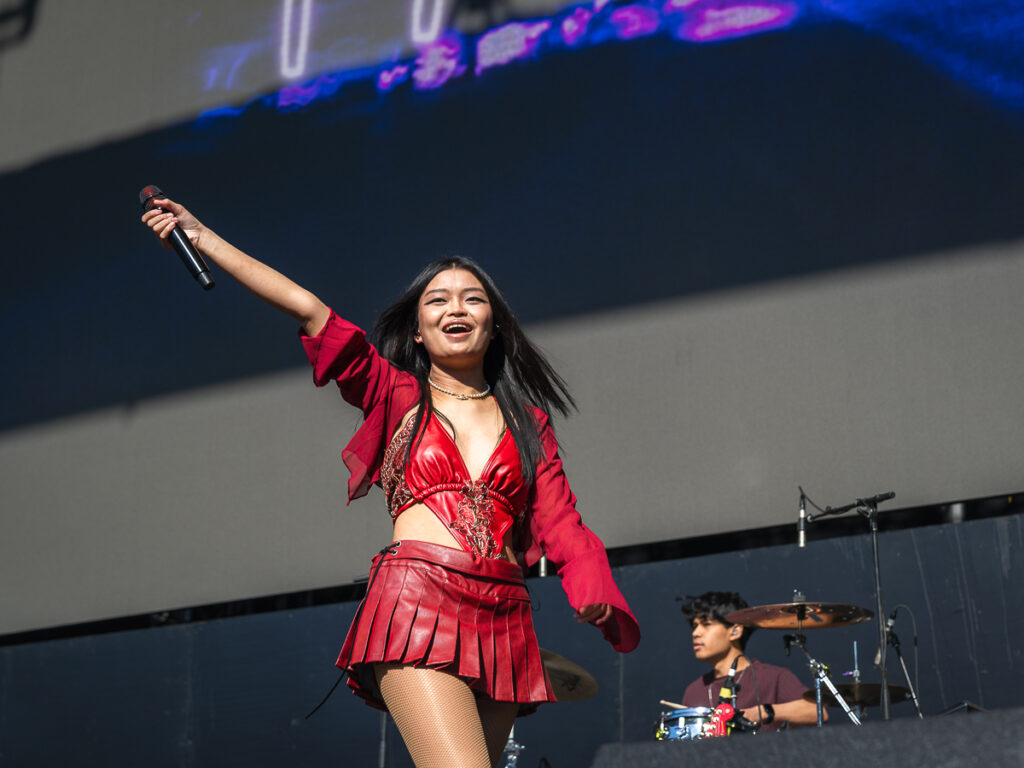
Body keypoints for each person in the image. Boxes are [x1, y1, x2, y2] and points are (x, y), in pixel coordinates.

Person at [142, 199, 640, 768]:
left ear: (494, 324)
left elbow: (561, 522)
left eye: (473, 298)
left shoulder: (532, 424)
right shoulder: (396, 393)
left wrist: (594, 589)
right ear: (420, 331)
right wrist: (203, 237)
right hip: (419, 602)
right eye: (438, 300)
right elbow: (309, 309)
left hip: (505, 614)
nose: (457, 307)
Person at [679, 591, 821, 731]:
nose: (695, 633)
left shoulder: (773, 677)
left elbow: (817, 711)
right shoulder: (693, 691)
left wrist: (764, 712)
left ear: (735, 631)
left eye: (706, 624)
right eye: (694, 626)